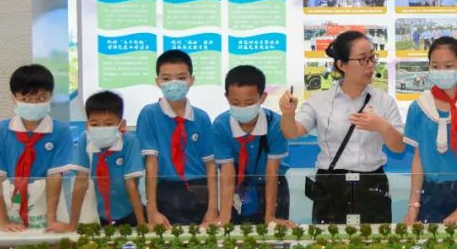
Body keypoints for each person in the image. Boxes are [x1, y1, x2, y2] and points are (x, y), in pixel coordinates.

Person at [281, 31, 404, 224]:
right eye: (363, 59)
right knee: (329, 241)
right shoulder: (320, 100)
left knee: (375, 240)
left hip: (372, 184)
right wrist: (288, 114)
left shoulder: (384, 101)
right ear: (342, 65)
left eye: (372, 58)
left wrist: (383, 126)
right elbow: (292, 132)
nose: (370, 65)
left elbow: (399, 147)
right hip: (331, 185)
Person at [0, 64, 83, 232]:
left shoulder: (60, 131)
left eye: (41, 98)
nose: (34, 103)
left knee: (48, 244)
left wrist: (51, 219)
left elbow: (55, 176)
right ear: (14, 97)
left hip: (46, 199)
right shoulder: (0, 131)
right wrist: (2, 222)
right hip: (7, 201)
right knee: (5, 244)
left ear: (51, 96)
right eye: (26, 99)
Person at [402, 36, 457, 224]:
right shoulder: (419, 108)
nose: (441, 71)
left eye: (448, 66)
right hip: (429, 193)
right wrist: (413, 205)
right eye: (435, 66)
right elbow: (418, 159)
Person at [136, 50, 218, 227]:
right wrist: (152, 209)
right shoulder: (149, 114)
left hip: (199, 190)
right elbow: (151, 163)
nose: (174, 83)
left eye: (181, 78)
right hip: (166, 191)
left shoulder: (202, 117)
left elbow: (211, 165)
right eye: (166, 78)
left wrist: (213, 208)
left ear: (191, 80)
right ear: (158, 81)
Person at [213, 66, 292, 227]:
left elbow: (272, 173)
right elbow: (227, 175)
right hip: (238, 188)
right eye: (235, 103)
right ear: (227, 97)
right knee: (235, 233)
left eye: (249, 103)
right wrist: (224, 217)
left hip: (272, 186)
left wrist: (270, 217)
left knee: (273, 233)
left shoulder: (276, 124)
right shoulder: (221, 125)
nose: (242, 107)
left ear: (262, 97)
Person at [72, 90, 146, 228]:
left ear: (122, 124)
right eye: (94, 124)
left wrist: (142, 223)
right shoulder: (84, 139)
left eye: (108, 123)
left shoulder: (130, 142)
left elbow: (131, 184)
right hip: (98, 214)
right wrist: (72, 224)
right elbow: (80, 182)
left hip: (129, 213)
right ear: (87, 125)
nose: (101, 129)